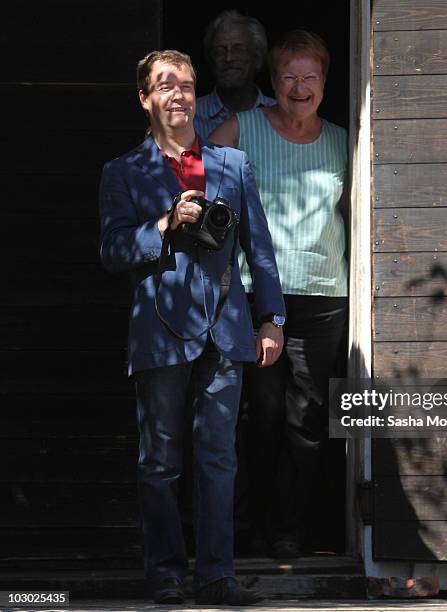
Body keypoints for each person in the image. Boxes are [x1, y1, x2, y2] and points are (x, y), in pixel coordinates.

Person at [99, 49, 285, 605]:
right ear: (145, 99)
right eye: (165, 85)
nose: (177, 94)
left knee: (219, 458)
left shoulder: (232, 163)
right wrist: (163, 222)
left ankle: (217, 575)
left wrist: (271, 318)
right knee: (159, 460)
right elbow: (111, 250)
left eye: (185, 85)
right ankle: (165, 575)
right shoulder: (123, 171)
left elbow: (261, 250)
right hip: (158, 331)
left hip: (225, 333)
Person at [209, 31, 348, 558]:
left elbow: (356, 214)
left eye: (309, 76)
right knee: (259, 415)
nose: (299, 87)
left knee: (307, 420)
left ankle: (290, 529)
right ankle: (248, 525)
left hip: (323, 297)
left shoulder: (341, 140)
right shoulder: (243, 128)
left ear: (325, 83)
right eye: (288, 76)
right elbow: (198, 180)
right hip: (256, 294)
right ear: (272, 81)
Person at [195, 9, 275, 140]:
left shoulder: (281, 114)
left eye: (239, 50)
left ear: (257, 57)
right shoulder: (190, 116)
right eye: (220, 51)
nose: (229, 58)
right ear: (210, 59)